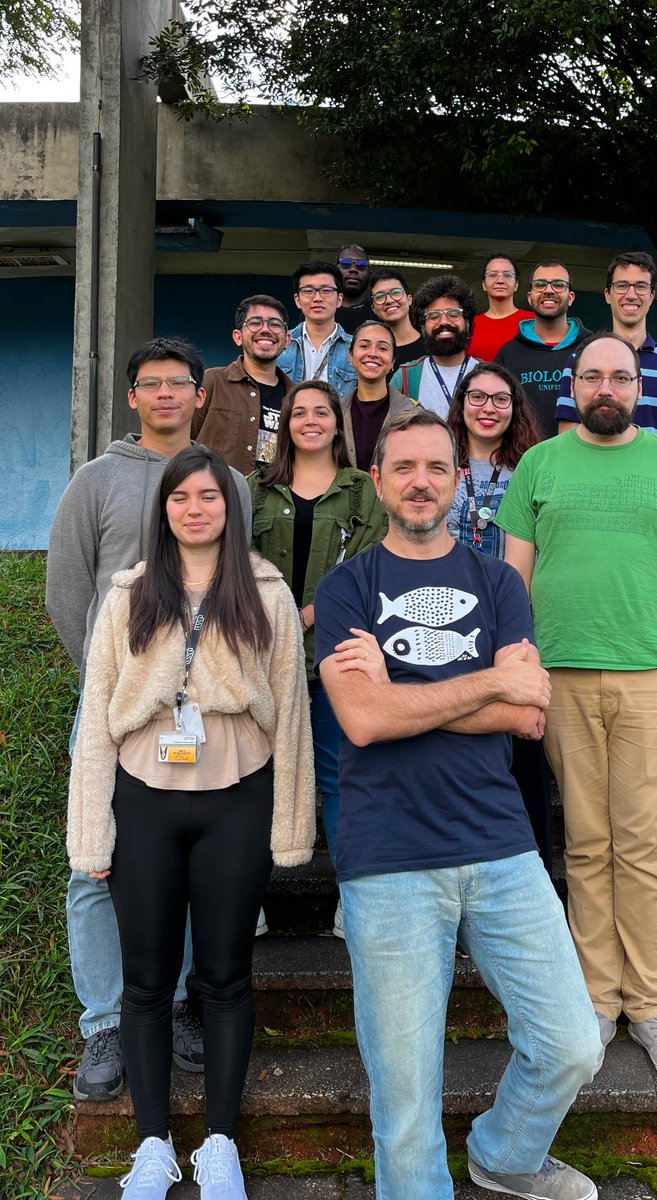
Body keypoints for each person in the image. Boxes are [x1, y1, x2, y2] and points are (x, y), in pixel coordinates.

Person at [314, 408, 601, 1200]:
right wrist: (483, 684)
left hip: (501, 846)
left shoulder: (497, 580)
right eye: (403, 467)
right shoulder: (346, 588)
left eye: (436, 468)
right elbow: (363, 721)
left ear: (459, 479)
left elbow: (527, 711)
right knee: (405, 1098)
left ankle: (505, 1155)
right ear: (377, 480)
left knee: (572, 1042)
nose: (420, 481)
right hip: (389, 859)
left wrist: (400, 686)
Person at [67, 446, 316, 1198]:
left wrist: (289, 827)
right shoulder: (129, 594)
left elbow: (294, 718)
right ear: (164, 509)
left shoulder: (266, 595)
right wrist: (91, 834)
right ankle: (151, 1145)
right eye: (182, 498)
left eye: (210, 496)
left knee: (225, 976)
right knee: (145, 985)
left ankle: (219, 1146)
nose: (196, 508)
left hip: (234, 799)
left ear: (230, 508)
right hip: (143, 800)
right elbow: (98, 725)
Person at [498, 333, 657, 1084]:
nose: (605, 387)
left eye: (619, 377)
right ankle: (596, 998)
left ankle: (652, 1006)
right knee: (588, 845)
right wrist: (522, 677)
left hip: (652, 678)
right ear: (572, 386)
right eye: (591, 375)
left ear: (637, 387)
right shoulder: (538, 464)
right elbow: (512, 582)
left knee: (645, 848)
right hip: (561, 680)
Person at [47, 338, 253, 1104]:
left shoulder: (227, 481)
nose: (165, 394)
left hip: (204, 714)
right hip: (111, 711)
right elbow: (67, 594)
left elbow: (239, 590)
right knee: (93, 864)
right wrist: (113, 685)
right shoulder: (96, 481)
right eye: (150, 384)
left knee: (190, 861)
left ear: (201, 395)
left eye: (179, 383)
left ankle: (171, 1006)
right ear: (132, 396)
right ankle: (105, 1020)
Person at [248, 379, 386, 931]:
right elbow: (238, 561)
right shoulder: (257, 488)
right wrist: (278, 612)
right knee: (254, 774)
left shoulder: (362, 490)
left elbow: (373, 563)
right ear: (285, 424)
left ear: (337, 423)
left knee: (340, 778)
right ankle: (245, 895)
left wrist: (315, 609)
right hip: (262, 651)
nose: (309, 420)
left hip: (337, 652)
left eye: (321, 412)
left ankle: (349, 899)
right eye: (297, 412)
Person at [445, 363, 553, 872]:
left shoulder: (532, 468)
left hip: (510, 621)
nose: (488, 408)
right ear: (460, 404)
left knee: (521, 754)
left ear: (515, 409)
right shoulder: (439, 462)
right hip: (445, 623)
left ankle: (529, 868)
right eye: (478, 397)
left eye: (500, 399)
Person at [555, 251, 657, 468]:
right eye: (622, 286)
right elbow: (568, 436)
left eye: (640, 286)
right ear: (608, 295)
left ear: (651, 296)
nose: (631, 294)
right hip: (597, 483)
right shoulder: (578, 361)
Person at [192, 295, 293, 475]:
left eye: (275, 324)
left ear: (286, 340)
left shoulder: (294, 396)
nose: (266, 330)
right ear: (238, 337)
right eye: (255, 322)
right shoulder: (211, 382)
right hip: (219, 499)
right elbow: (180, 441)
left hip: (274, 501)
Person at [495, 260, 591, 438]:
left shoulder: (593, 348)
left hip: (582, 459)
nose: (548, 290)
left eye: (558, 284)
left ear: (570, 298)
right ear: (530, 297)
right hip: (521, 460)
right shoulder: (508, 353)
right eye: (540, 284)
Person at [396, 274, 482, 417]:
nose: (443, 322)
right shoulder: (405, 377)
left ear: (467, 322)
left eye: (453, 314)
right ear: (422, 326)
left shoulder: (489, 374)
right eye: (434, 316)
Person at [340, 319, 418, 470]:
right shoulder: (334, 412)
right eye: (364, 346)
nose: (372, 353)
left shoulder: (412, 414)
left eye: (382, 348)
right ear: (350, 356)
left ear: (393, 361)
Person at [277, 260, 356, 396]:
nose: (317, 298)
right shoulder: (280, 344)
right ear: (297, 300)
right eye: (308, 291)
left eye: (326, 291)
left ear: (339, 299)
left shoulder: (356, 348)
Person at [468, 253, 533, 361]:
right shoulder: (469, 325)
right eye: (493, 275)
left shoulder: (532, 321)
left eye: (507, 275)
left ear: (516, 285)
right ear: (484, 284)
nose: (500, 281)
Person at [370, 268, 424, 366]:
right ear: (373, 309)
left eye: (395, 293)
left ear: (409, 299)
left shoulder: (431, 347)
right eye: (380, 296)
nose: (389, 300)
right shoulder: (370, 354)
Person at [334, 243, 372, 334]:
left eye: (361, 265)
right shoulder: (319, 310)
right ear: (335, 271)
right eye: (345, 263)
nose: (353, 269)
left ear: (370, 274)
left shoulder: (379, 313)